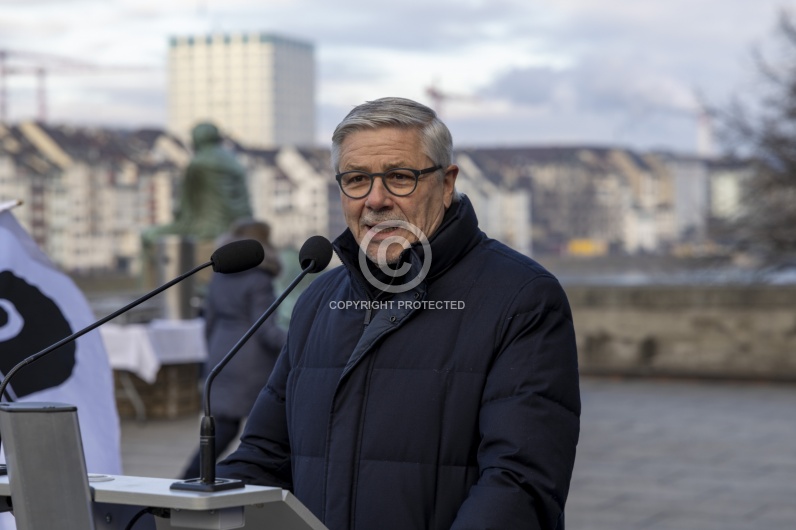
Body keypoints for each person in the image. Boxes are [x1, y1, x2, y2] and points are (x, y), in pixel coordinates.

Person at [216, 97, 581, 529]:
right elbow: (262, 459)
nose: (375, 199)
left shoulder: (523, 298)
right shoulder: (318, 301)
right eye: (356, 180)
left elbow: (519, 485)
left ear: (447, 184)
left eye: (399, 177)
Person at [180, 218, 286, 480]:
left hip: (221, 354)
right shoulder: (259, 279)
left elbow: (209, 323)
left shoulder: (219, 275)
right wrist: (301, 340)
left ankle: (189, 479)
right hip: (251, 362)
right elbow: (266, 330)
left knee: (221, 430)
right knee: (266, 432)